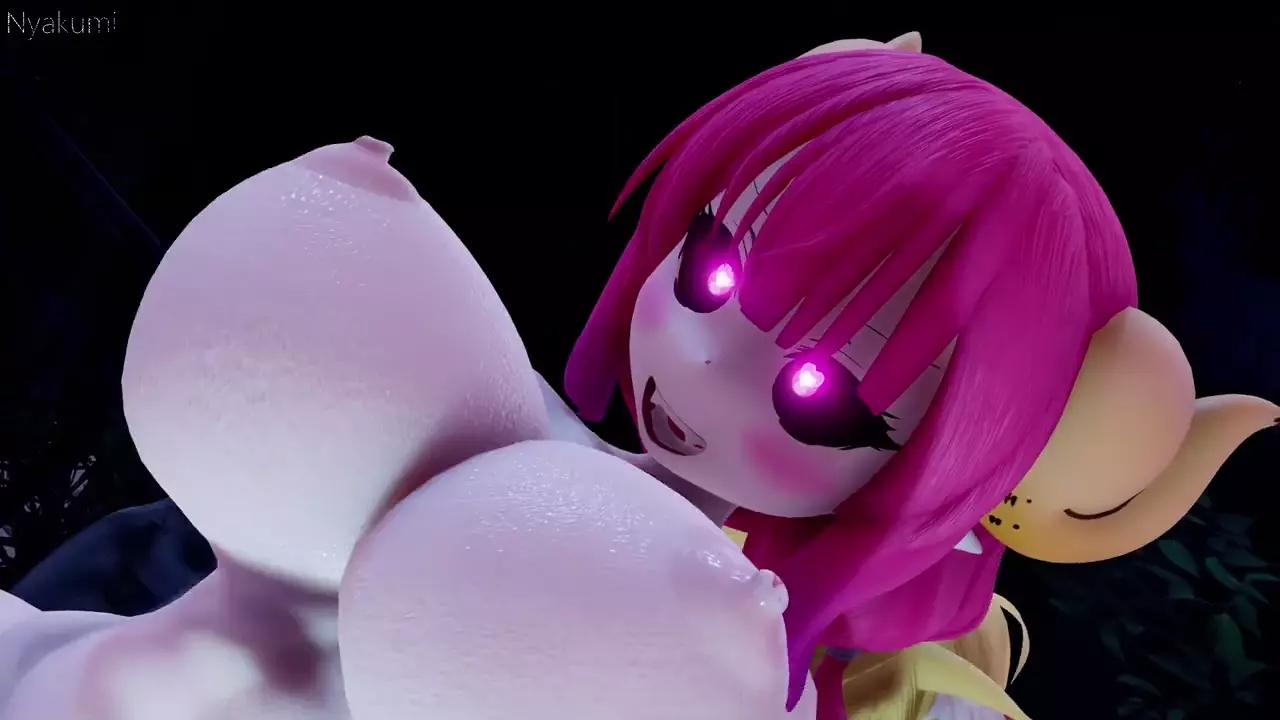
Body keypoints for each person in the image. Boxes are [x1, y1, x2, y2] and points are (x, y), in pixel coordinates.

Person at [559, 34, 1280, 715]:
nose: (705, 363)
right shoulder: (558, 461)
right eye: (707, 271)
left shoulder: (893, 691)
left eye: (821, 396)